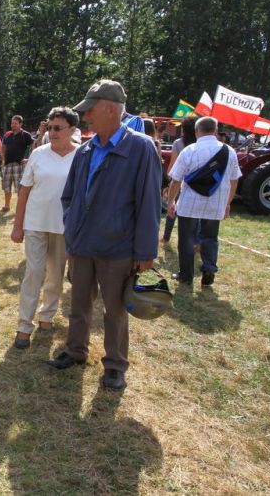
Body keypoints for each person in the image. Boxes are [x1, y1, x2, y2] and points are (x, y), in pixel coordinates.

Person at [47, 80, 162, 391]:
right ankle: (75, 351)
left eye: (90, 110)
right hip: (82, 244)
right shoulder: (85, 150)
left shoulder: (140, 148)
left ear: (111, 109)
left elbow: (150, 202)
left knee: (115, 309)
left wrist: (145, 251)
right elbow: (69, 196)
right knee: (79, 304)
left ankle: (114, 365)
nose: (85, 117)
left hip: (118, 247)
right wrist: (72, 226)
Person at [11, 107, 80, 348]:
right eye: (49, 128)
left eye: (57, 128)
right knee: (34, 272)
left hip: (64, 227)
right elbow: (24, 191)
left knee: (56, 275)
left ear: (72, 129)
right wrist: (17, 226)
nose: (52, 132)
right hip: (35, 224)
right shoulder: (39, 154)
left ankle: (47, 316)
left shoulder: (82, 155)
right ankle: (24, 324)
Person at [166, 117, 240, 287]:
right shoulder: (230, 151)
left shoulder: (189, 150)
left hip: (190, 204)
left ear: (197, 131)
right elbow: (234, 180)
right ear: (215, 130)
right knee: (210, 238)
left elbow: (176, 180)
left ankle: (186, 275)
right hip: (216, 203)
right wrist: (227, 203)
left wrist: (171, 201)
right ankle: (208, 269)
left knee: (186, 239)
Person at [160, 116, 197, 245]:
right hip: (196, 183)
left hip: (179, 181)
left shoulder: (178, 143)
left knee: (171, 209)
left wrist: (168, 182)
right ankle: (196, 242)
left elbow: (173, 165)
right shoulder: (200, 144)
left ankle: (166, 238)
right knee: (194, 214)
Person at [0, 115, 33, 212]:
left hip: (19, 164)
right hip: (7, 164)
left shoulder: (25, 135)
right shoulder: (7, 135)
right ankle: (6, 206)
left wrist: (28, 159)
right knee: (6, 186)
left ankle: (21, 208)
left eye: (15, 123)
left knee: (20, 188)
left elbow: (33, 147)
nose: (13, 125)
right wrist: (3, 159)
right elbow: (3, 147)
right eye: (12, 123)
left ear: (20, 124)